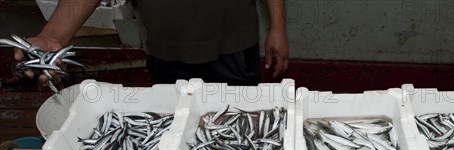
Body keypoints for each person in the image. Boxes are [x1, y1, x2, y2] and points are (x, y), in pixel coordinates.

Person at [14, 0, 288, 86]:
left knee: (238, 126)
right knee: (174, 130)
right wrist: (55, 36)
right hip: (165, 49)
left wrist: (277, 26)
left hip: (232, 46)